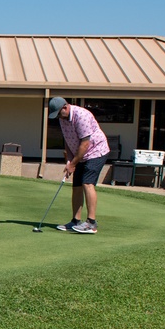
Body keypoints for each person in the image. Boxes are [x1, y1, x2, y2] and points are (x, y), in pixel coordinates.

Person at [48, 97, 109, 234]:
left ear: (65, 107)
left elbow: (85, 143)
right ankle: (75, 221)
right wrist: (69, 161)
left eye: (58, 113)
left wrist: (74, 163)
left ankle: (91, 223)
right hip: (80, 154)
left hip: (96, 151)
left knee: (87, 183)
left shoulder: (81, 115)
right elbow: (68, 141)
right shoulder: (62, 119)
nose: (58, 117)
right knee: (76, 186)